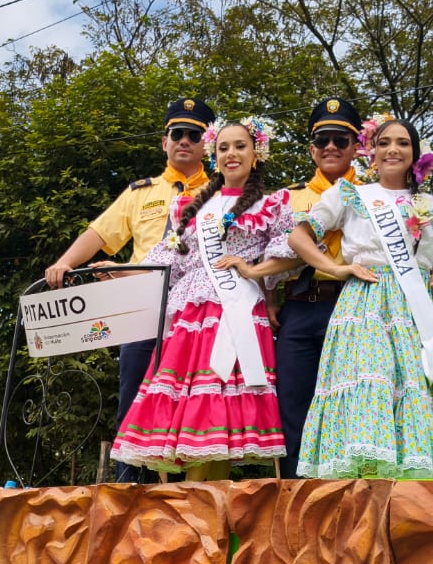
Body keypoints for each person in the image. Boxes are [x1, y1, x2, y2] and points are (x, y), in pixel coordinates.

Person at [111, 116, 296, 479]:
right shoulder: (192, 206)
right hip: (192, 316)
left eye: (240, 146)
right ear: (214, 155)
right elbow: (167, 260)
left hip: (238, 311)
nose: (231, 154)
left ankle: (207, 503)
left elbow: (292, 250)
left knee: (222, 407)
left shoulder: (272, 204)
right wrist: (118, 270)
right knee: (193, 408)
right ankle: (201, 503)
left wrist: (253, 271)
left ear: (256, 153)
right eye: (223, 147)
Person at [44, 97, 215, 482]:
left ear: (206, 144)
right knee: (134, 400)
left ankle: (190, 497)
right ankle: (129, 492)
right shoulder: (140, 193)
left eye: (194, 135)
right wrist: (64, 263)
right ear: (164, 142)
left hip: (198, 311)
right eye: (177, 133)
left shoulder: (222, 193)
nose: (184, 141)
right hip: (142, 307)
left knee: (194, 405)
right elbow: (100, 233)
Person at [287, 114, 433, 478]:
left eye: (402, 143)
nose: (392, 150)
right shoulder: (351, 194)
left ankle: (403, 493)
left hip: (415, 311)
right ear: (371, 153)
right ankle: (362, 486)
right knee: (369, 383)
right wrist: (336, 268)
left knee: (412, 387)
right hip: (365, 305)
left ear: (416, 153)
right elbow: (298, 237)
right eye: (384, 143)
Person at [275, 97, 363, 477]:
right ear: (312, 149)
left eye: (340, 140)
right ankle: (295, 494)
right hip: (299, 307)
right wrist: (269, 300)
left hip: (354, 306)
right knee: (293, 403)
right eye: (322, 140)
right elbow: (267, 253)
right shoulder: (288, 197)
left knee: (349, 402)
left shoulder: (373, 196)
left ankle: (346, 494)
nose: (330, 147)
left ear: (356, 147)